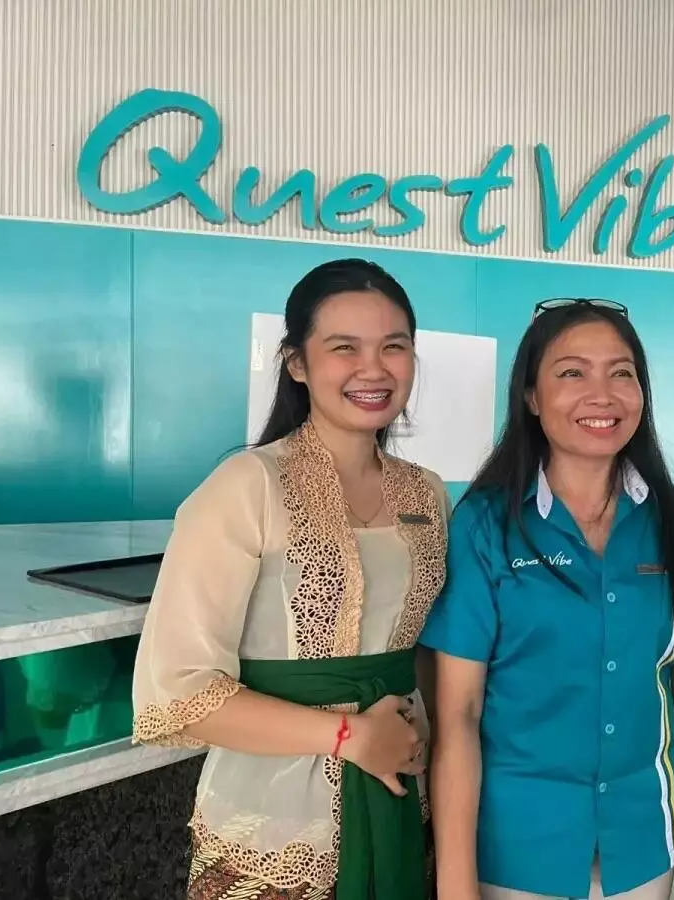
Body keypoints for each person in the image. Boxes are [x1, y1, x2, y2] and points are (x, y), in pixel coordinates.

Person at [132, 258, 449, 900]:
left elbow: (427, 656)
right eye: (344, 348)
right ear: (297, 363)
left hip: (398, 802)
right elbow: (178, 690)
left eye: (393, 347)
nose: (373, 369)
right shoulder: (246, 486)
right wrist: (349, 737)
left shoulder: (427, 494)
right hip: (271, 826)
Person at [422, 298, 674, 900]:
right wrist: (455, 882)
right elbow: (458, 714)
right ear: (532, 397)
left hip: (642, 845)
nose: (602, 394)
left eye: (621, 373)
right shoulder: (485, 525)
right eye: (572, 373)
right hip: (514, 852)